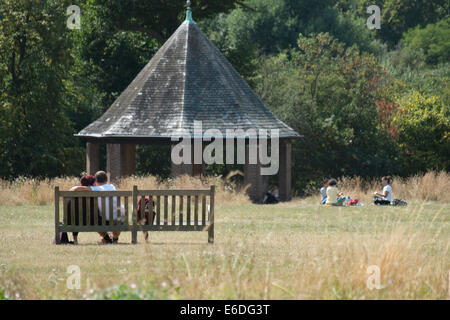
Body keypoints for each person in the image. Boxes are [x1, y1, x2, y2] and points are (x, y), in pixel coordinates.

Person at [71, 171, 122, 244]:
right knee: (115, 216)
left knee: (96, 219)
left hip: (106, 220)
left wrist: (73, 188)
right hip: (120, 218)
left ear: (96, 181)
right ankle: (115, 238)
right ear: (107, 180)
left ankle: (106, 238)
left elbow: (76, 188)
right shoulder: (112, 187)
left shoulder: (96, 188)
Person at [67, 175, 95, 244]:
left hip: (72, 222)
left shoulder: (73, 195)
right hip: (91, 222)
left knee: (76, 216)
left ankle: (75, 239)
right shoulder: (94, 194)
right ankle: (107, 238)